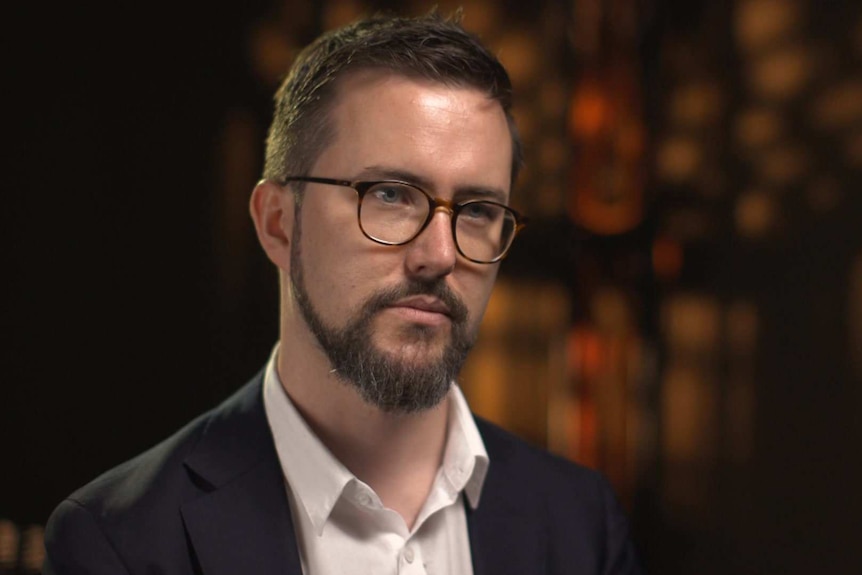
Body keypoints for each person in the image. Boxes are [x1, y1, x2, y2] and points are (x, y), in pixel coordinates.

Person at [44, 12, 643, 575]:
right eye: (389, 194)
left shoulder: (581, 523)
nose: (440, 254)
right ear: (279, 222)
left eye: (478, 209)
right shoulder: (121, 542)